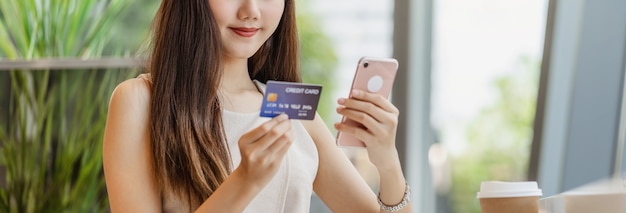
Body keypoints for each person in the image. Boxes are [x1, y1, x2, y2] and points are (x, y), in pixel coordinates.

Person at [102, 0, 413, 212]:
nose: (251, 11)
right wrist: (244, 182)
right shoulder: (139, 101)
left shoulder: (290, 104)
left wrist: (387, 162)